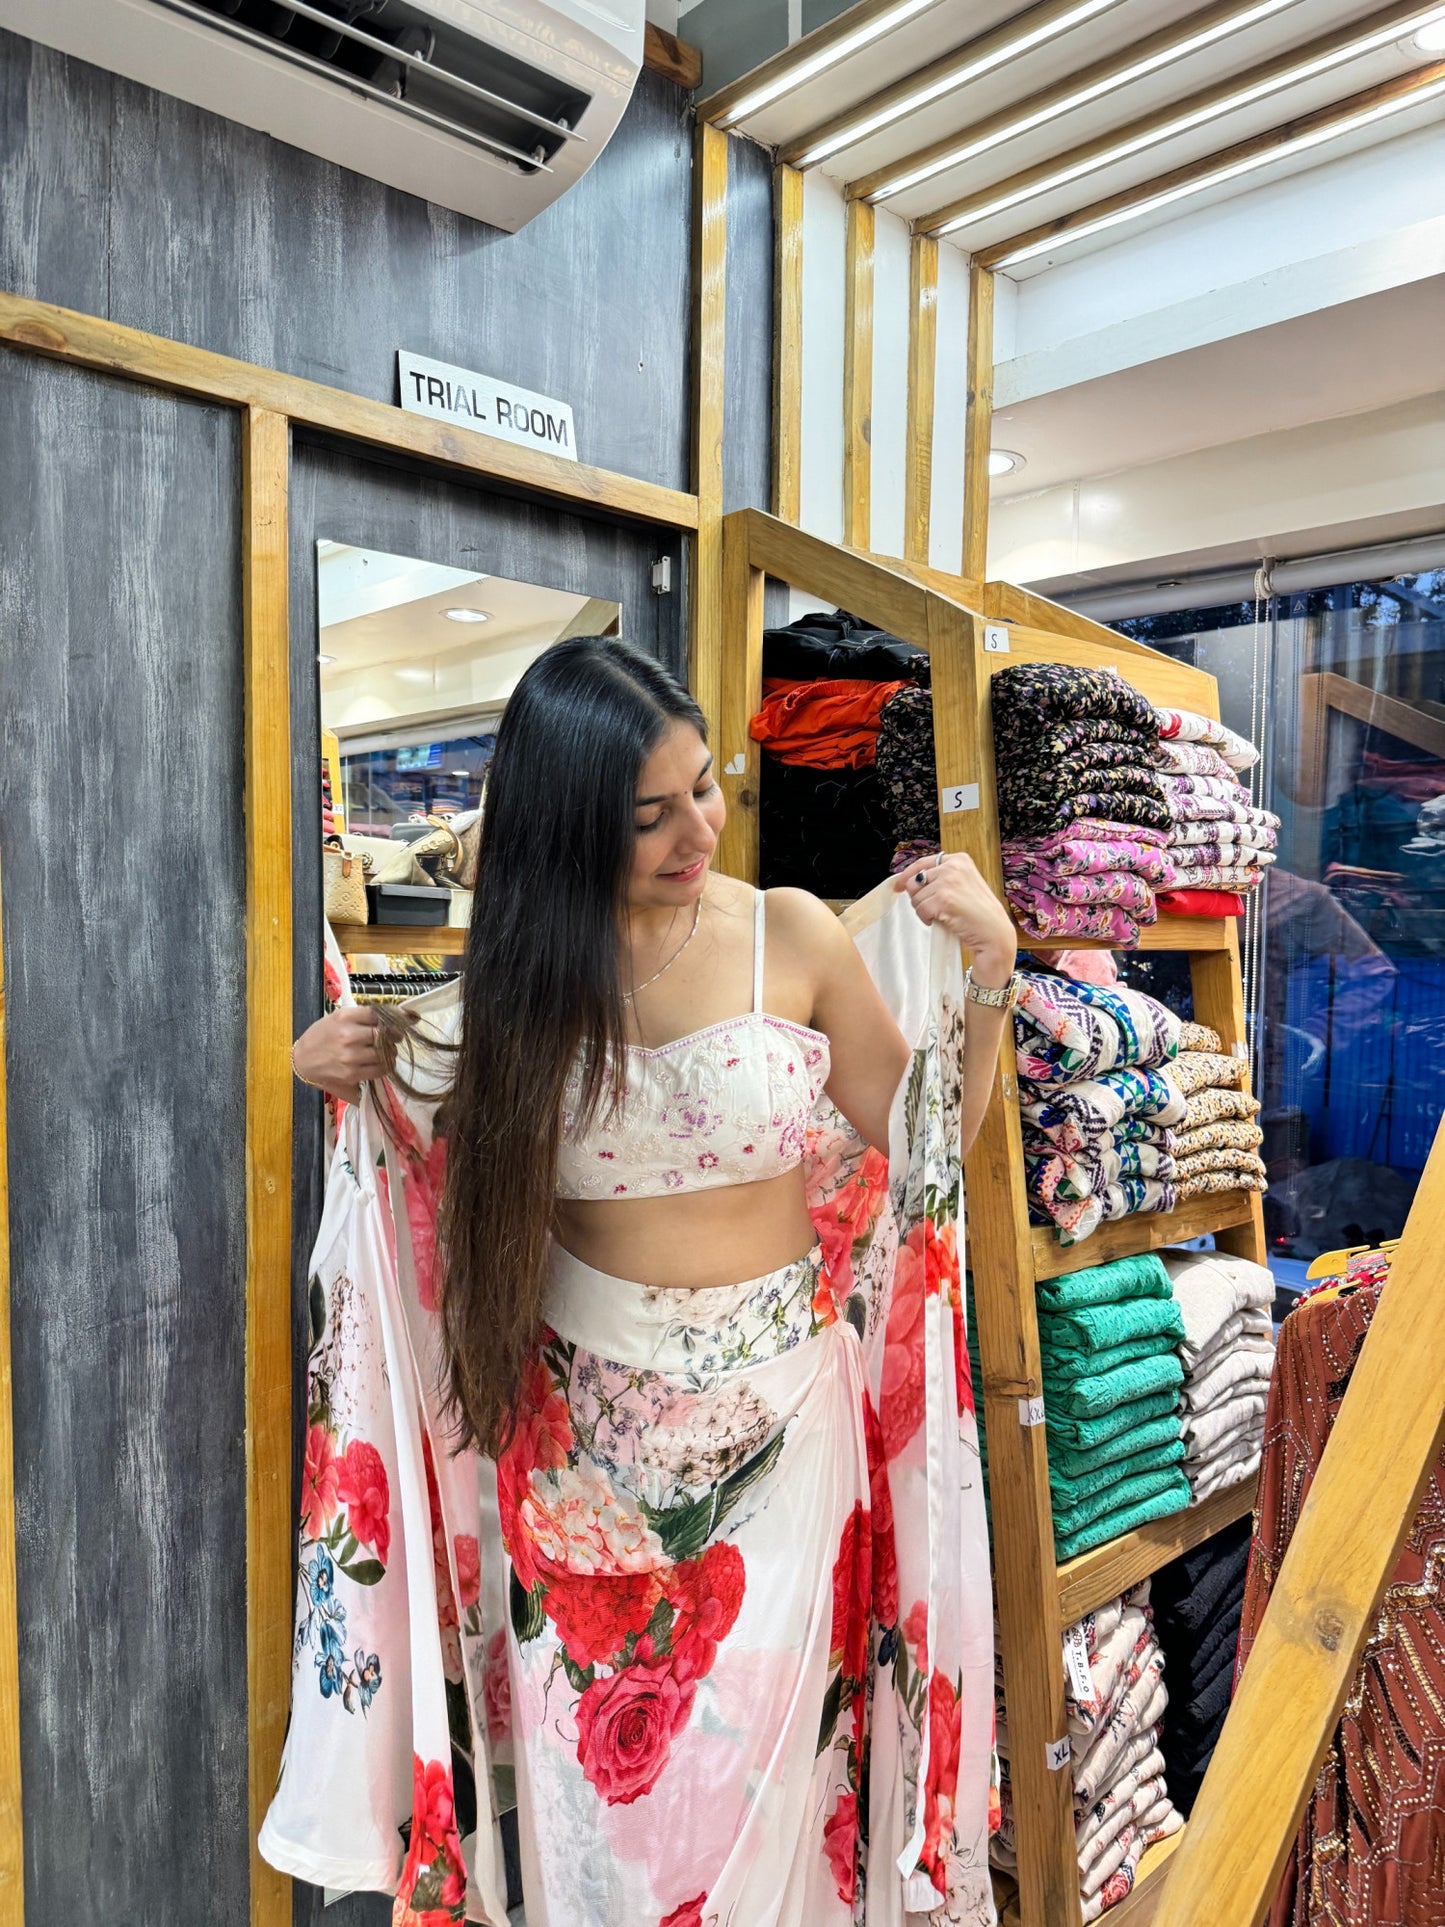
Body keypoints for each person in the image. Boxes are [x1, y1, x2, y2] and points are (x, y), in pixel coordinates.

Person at [292, 636, 1016, 1926]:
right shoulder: (502, 998)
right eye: (649, 813)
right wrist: (332, 1071)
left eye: (704, 788)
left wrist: (996, 980)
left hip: (786, 1448)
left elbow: (920, 1153)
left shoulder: (786, 934)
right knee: (600, 1805)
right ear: (568, 825)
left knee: (776, 1775)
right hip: (576, 1466)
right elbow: (402, 1141)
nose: (698, 830)